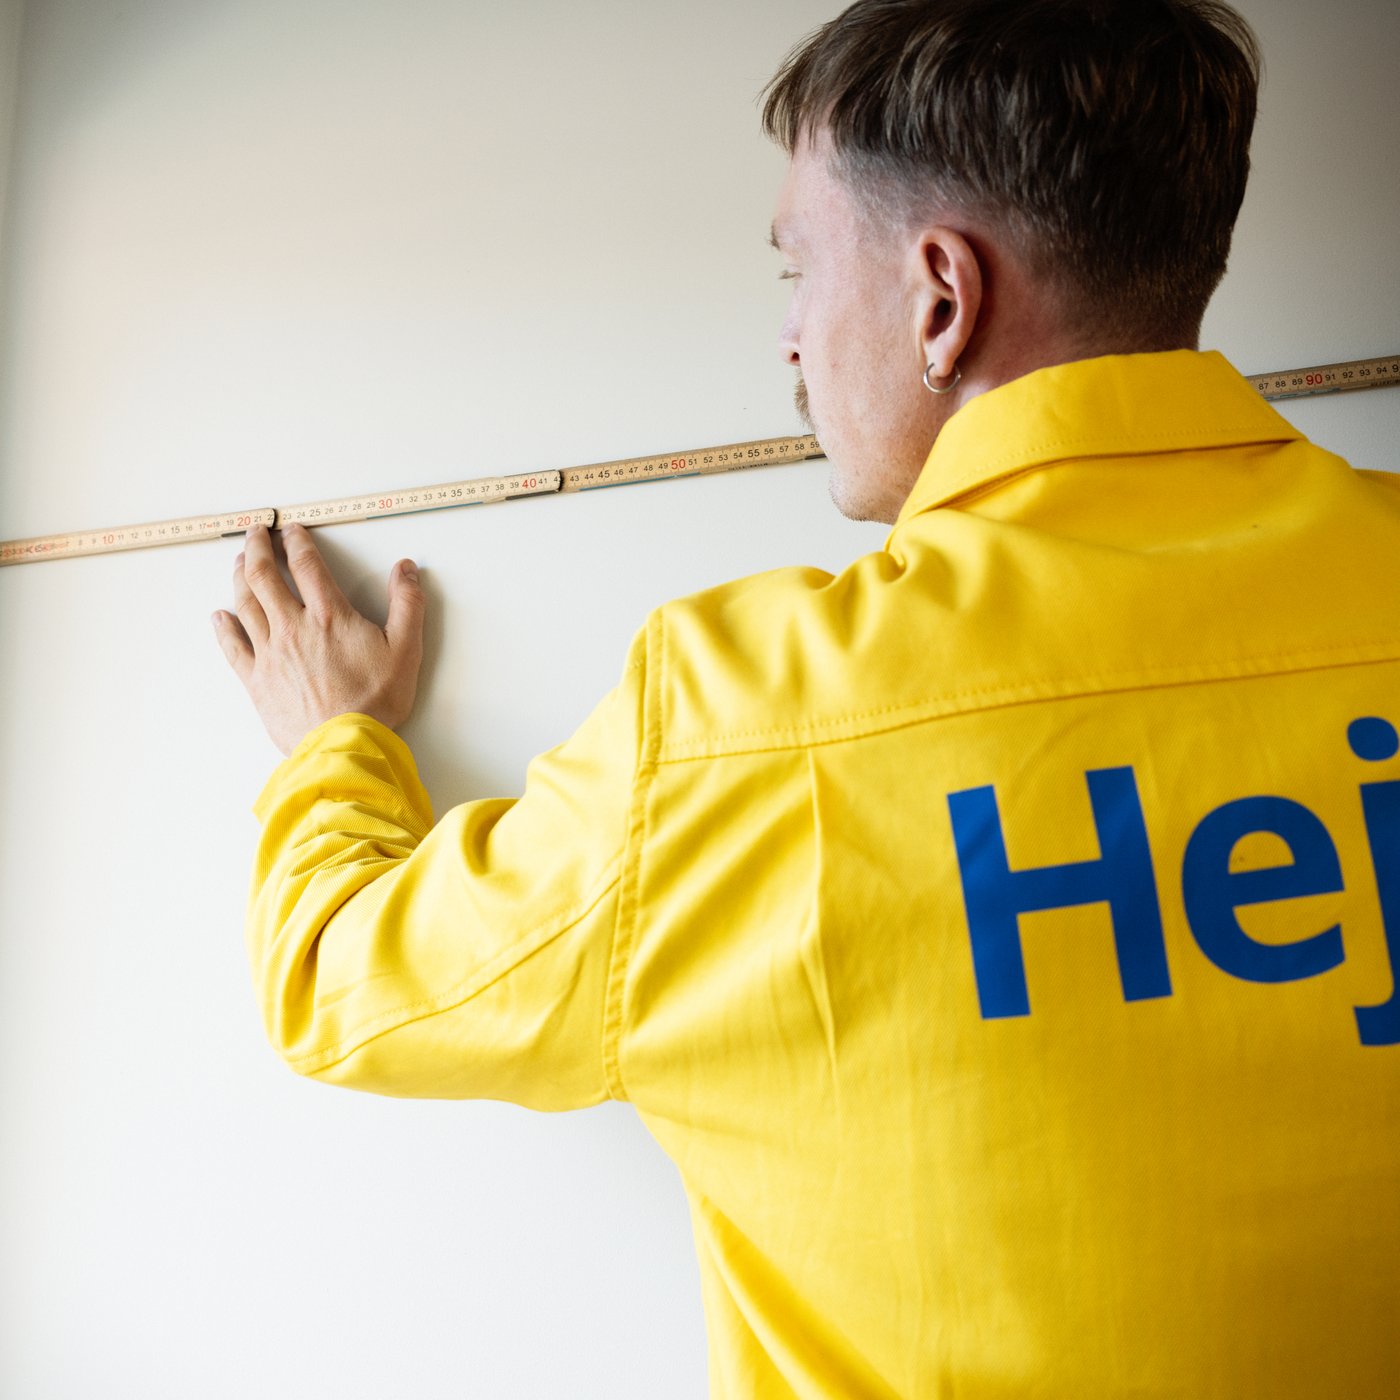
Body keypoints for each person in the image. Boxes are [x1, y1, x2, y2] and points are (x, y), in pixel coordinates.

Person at [212, 0, 1400, 1394]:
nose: (790, 342)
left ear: (940, 299)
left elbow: (339, 986)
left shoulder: (736, 723)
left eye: (797, 269)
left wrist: (335, 742)